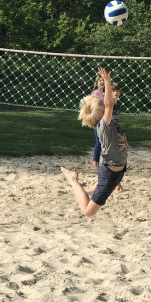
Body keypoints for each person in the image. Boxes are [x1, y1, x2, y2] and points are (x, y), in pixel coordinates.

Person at [61, 67, 128, 217]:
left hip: (116, 171)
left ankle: (86, 190)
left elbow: (110, 104)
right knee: (88, 212)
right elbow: (109, 104)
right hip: (110, 173)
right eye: (101, 103)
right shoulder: (104, 124)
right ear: (100, 112)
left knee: (98, 187)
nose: (105, 103)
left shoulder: (107, 122)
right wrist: (107, 81)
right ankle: (72, 179)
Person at [91, 75, 105, 169]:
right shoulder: (96, 92)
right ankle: (95, 163)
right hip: (97, 120)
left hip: (103, 120)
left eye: (104, 80)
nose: (102, 82)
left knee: (102, 141)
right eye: (100, 80)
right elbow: (93, 106)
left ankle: (99, 162)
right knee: (99, 141)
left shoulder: (103, 93)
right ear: (97, 83)